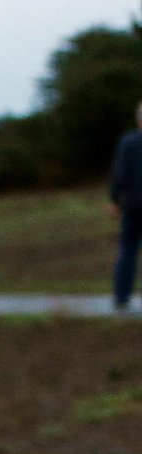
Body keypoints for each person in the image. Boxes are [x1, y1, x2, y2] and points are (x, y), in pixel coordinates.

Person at [113, 99, 142, 311]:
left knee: (128, 249)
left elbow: (119, 174)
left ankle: (122, 297)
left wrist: (115, 199)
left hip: (133, 205)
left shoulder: (128, 142)